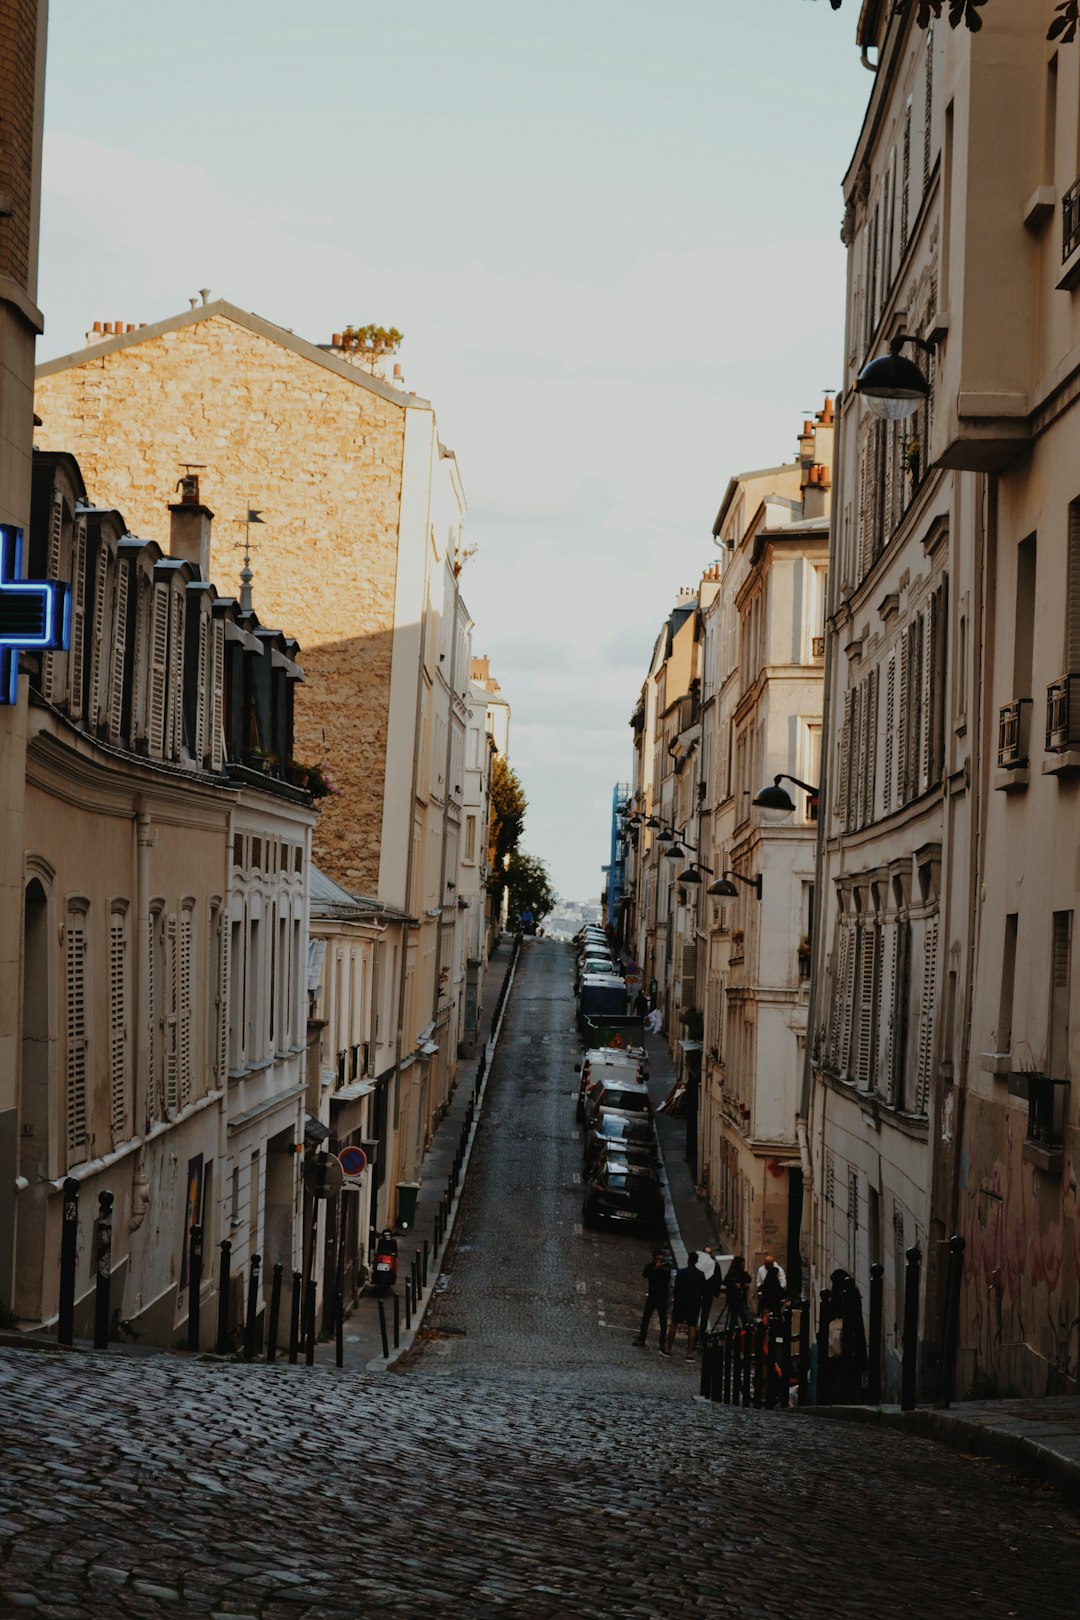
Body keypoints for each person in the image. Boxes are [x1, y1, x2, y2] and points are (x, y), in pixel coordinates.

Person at [664, 1253, 707, 1359]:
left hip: (681, 1301)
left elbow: (676, 1288)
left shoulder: (682, 1272)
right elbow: (703, 1291)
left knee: (674, 1324)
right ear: (697, 1261)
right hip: (694, 1303)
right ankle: (689, 1353)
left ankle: (668, 1348)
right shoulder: (701, 1275)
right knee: (692, 1327)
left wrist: (676, 1298)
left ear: (688, 1260)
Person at [633, 1250, 671, 1348]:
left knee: (663, 1320)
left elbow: (667, 1278)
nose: (660, 1260)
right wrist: (655, 1268)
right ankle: (642, 1338)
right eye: (658, 1258)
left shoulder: (666, 1267)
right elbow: (645, 1274)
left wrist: (661, 1269)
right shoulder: (650, 1266)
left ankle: (662, 1342)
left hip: (662, 1297)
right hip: (652, 1296)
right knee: (646, 1318)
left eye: (661, 1258)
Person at [695, 1246, 720, 1338]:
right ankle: (699, 1333)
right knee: (701, 1314)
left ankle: (700, 1333)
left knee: (703, 1314)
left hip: (705, 1293)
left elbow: (718, 1279)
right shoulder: (713, 1265)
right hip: (702, 1293)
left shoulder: (712, 1265)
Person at [722, 1256, 751, 1326]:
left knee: (742, 1317)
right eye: (742, 1265)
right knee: (736, 1317)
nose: (743, 1266)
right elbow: (725, 1282)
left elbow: (748, 1279)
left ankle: (743, 1332)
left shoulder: (741, 1272)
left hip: (740, 1298)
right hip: (734, 1299)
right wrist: (734, 1284)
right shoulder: (732, 1272)